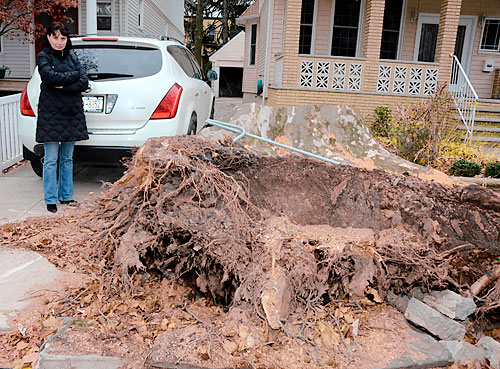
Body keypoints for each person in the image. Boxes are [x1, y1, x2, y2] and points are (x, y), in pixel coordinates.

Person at [36, 23, 89, 213]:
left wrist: (65, 84)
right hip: (51, 114)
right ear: (49, 37)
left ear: (67, 40)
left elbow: (83, 81)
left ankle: (66, 196)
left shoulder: (73, 57)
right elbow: (49, 79)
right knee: (51, 159)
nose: (59, 42)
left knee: (67, 158)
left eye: (63, 38)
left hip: (71, 113)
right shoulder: (43, 56)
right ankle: (50, 199)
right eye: (55, 37)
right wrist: (71, 78)